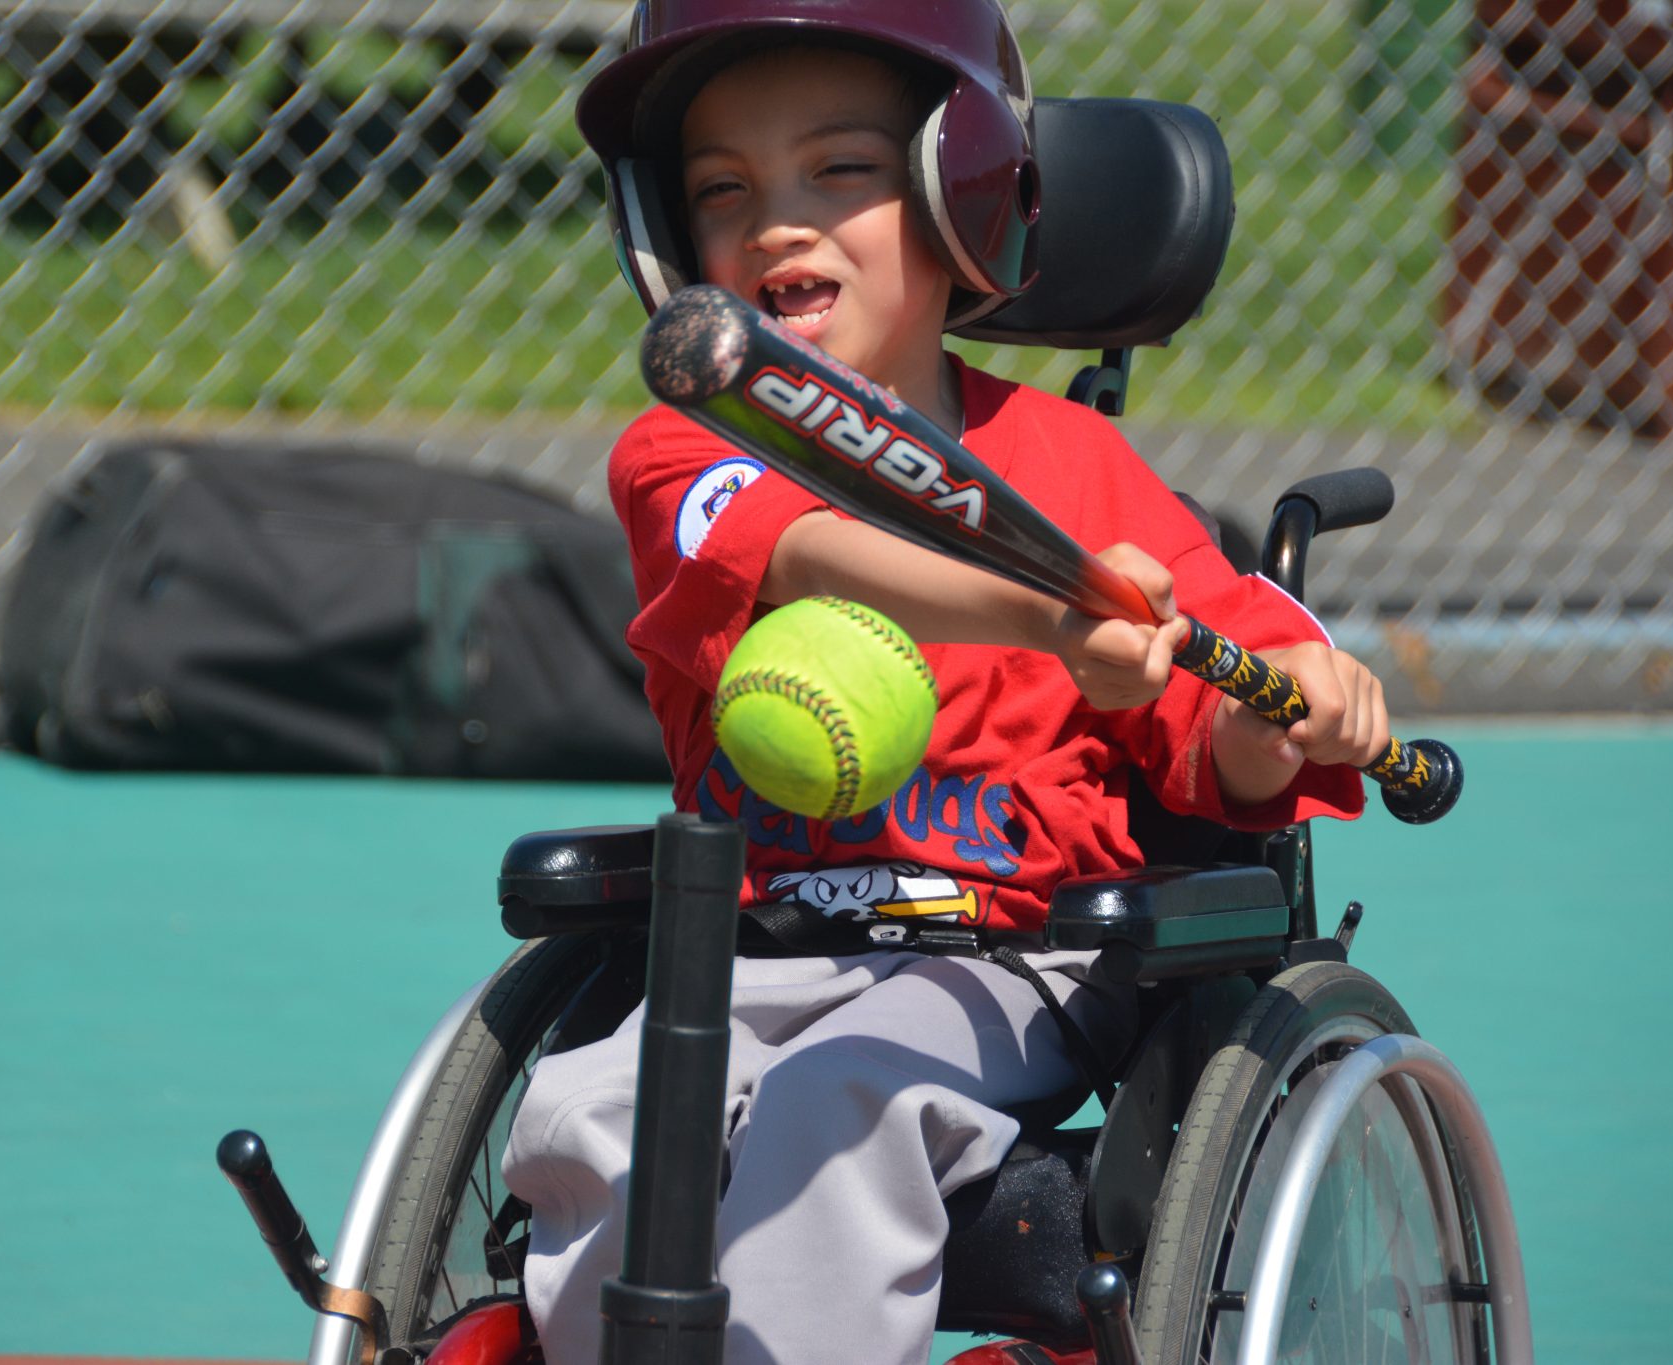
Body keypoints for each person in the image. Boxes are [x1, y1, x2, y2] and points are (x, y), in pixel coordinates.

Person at [501, 4, 1392, 1362]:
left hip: (1015, 957)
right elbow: (807, 559)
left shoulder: (1085, 475)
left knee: (841, 1103)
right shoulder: (678, 448)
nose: (776, 223)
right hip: (743, 942)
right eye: (720, 191)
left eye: (840, 172)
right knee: (590, 1115)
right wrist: (1048, 611)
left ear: (957, 189)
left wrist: (1294, 706)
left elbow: (1226, 735)